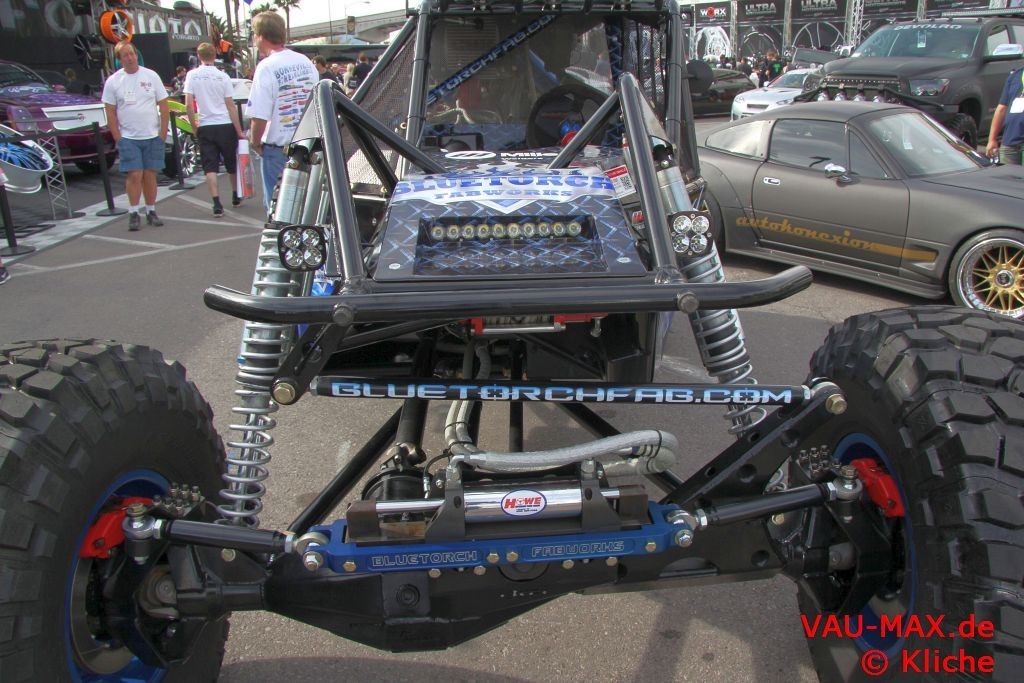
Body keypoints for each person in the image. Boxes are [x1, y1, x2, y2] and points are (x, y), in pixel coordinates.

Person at [245, 11, 317, 213]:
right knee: (305, 206)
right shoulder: (305, 62)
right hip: (307, 144)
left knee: (277, 208)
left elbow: (259, 116)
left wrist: (255, 143)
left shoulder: (267, 67)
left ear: (261, 36)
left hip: (278, 148)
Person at [101, 40, 169, 231]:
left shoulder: (151, 76)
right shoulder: (113, 81)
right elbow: (110, 111)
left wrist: (162, 133)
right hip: (129, 137)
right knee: (135, 174)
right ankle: (133, 212)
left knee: (150, 174)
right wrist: (118, 137)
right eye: (125, 55)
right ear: (119, 59)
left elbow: (163, 105)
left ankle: (151, 210)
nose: (130, 58)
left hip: (152, 135)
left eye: (132, 54)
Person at [185, 41, 246, 217]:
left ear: (199, 56)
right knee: (231, 162)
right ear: (215, 55)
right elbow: (230, 105)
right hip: (225, 124)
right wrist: (239, 130)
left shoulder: (192, 76)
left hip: (206, 124)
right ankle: (235, 194)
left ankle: (216, 203)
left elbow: (188, 104)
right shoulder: (223, 76)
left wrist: (194, 126)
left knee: (209, 166)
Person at [986, 66, 1024, 165]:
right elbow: (1001, 108)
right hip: (1010, 143)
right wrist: (992, 139)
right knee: (1007, 174)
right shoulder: (1015, 75)